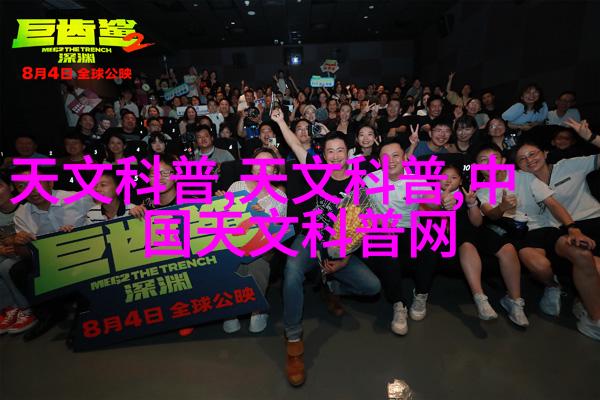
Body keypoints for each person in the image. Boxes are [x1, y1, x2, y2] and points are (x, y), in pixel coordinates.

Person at [271, 109, 381, 387]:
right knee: (292, 270)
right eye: (330, 151)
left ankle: (331, 286)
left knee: (372, 287)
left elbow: (360, 227)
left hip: (338, 248)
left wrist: (345, 259)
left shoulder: (358, 184)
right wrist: (281, 121)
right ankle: (293, 339)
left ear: (348, 153)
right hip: (310, 236)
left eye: (340, 150)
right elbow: (295, 145)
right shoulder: (317, 169)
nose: (334, 156)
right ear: (324, 154)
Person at [512, 141, 600, 340]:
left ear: (545, 153)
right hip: (559, 232)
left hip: (591, 222)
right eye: (522, 159)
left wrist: (592, 137)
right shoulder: (524, 180)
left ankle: (585, 304)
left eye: (532, 154)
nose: (529, 160)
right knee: (587, 261)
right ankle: (590, 313)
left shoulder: (570, 165)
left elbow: (553, 204)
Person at [364, 139, 439, 335]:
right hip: (382, 230)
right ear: (379, 161)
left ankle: (421, 294)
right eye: (385, 157)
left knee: (430, 245)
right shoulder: (370, 180)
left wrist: (441, 200)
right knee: (385, 248)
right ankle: (399, 304)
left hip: (410, 229)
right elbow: (359, 211)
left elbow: (434, 204)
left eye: (396, 155)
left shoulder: (416, 181)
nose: (391, 160)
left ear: (405, 158)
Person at [215, 147, 287, 334]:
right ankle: (231, 310)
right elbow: (223, 221)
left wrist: (264, 217)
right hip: (233, 242)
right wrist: (220, 203)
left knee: (256, 264)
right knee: (231, 261)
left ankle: (257, 309)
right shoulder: (237, 187)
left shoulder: (280, 197)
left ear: (275, 170)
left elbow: (278, 232)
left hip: (263, 248)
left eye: (268, 164)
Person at [0, 173, 37, 334]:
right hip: (7, 252)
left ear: (11, 187)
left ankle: (26, 309)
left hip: (26, 252)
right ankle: (10, 308)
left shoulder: (26, 207)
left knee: (5, 266)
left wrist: (16, 243)